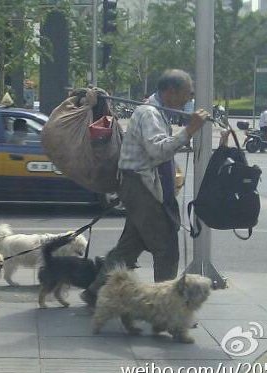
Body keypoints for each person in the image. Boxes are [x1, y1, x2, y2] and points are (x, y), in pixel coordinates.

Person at [80, 69, 210, 307]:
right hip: (141, 186)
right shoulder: (149, 113)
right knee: (167, 248)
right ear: (170, 92)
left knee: (128, 249)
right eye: (186, 94)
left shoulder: (157, 112)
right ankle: (168, 305)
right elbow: (158, 151)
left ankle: (95, 291)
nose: (188, 100)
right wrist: (190, 130)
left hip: (141, 184)